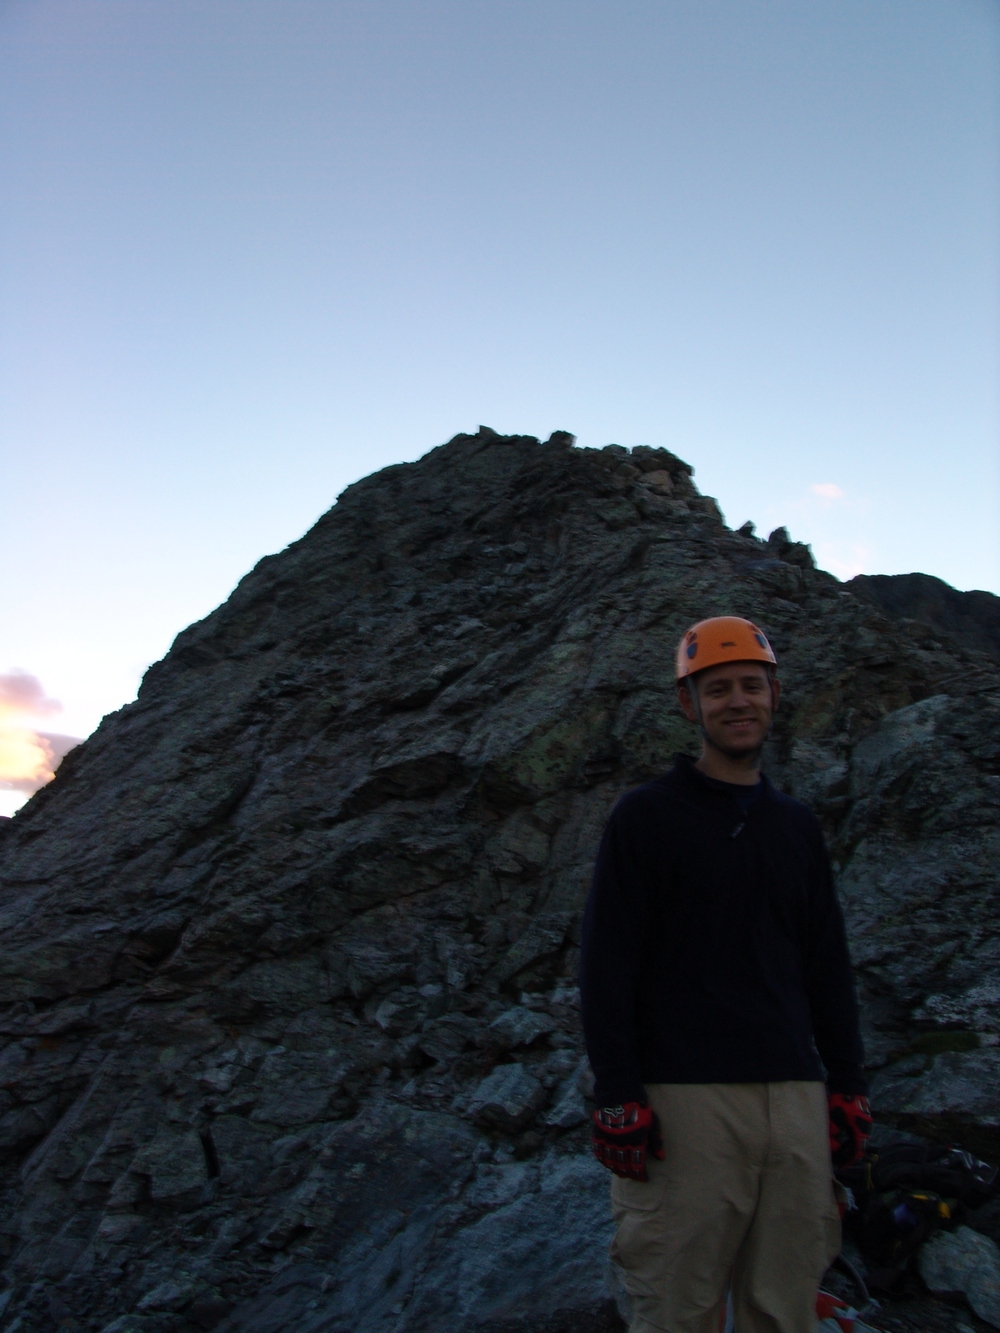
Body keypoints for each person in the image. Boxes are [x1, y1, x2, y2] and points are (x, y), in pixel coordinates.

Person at [579, 616, 871, 1333]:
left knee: (786, 1301)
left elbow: (826, 964)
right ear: (689, 706)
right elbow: (606, 962)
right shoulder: (645, 817)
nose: (737, 701)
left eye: (751, 685)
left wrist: (848, 1088)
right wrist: (617, 1094)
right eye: (717, 690)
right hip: (686, 1101)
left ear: (773, 695)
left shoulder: (796, 826)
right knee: (677, 1305)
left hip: (796, 1097)